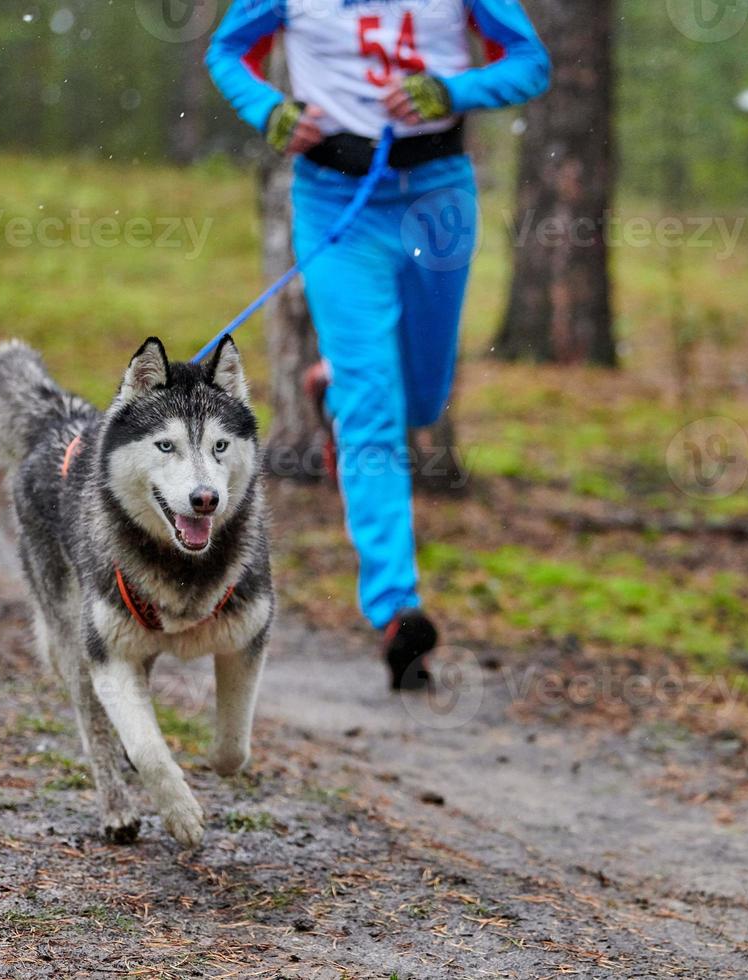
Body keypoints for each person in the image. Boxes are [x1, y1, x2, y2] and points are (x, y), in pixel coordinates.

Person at [206, 0, 550, 691]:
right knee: (374, 405)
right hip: (336, 201)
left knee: (421, 399)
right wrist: (269, 110)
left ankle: (335, 392)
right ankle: (396, 611)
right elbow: (226, 54)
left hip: (439, 196)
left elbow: (530, 64)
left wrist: (455, 90)